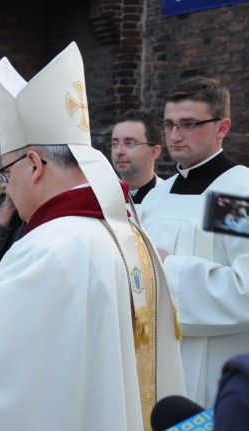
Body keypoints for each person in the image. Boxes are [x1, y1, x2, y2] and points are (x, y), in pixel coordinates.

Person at [0, 42, 184, 431]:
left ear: (32, 164)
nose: (8, 187)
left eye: (7, 174)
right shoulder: (130, 235)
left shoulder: (52, 248)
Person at [139, 77, 249, 407]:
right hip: (154, 359)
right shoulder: (157, 196)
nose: (174, 136)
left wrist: (165, 268)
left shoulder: (236, 194)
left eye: (189, 124)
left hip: (214, 363)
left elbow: (244, 291)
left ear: (222, 127)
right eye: (169, 125)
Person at [109, 110, 164, 204]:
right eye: (115, 143)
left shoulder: (169, 198)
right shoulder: (100, 199)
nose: (118, 151)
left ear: (154, 152)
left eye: (129, 143)